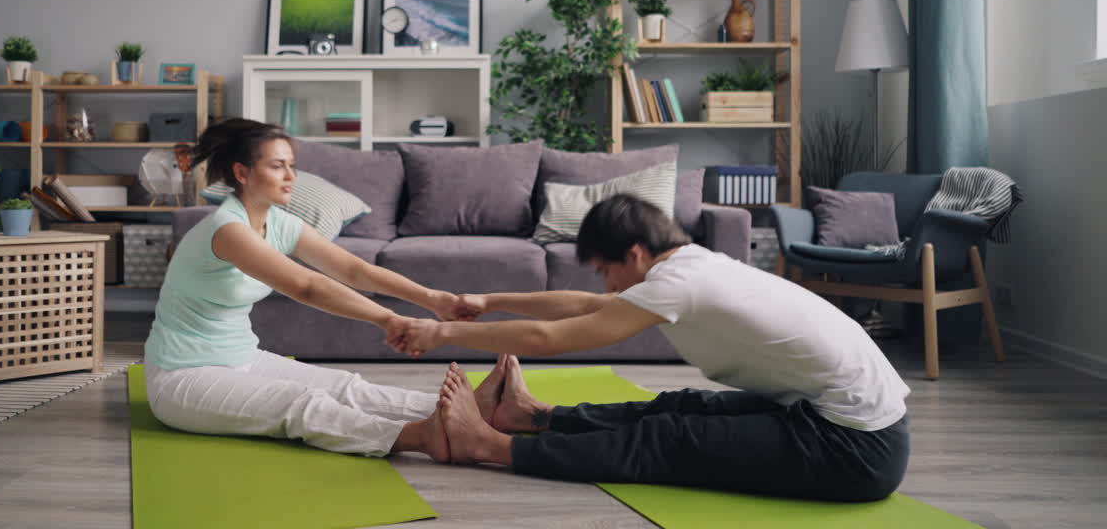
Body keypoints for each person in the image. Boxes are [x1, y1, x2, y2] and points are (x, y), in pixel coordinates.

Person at [390, 194, 912, 502]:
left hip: (856, 446)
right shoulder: (690, 266)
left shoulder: (677, 283)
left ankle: (489, 445)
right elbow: (583, 305)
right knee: (679, 407)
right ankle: (534, 418)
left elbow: (548, 338)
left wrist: (442, 333)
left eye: (606, 270)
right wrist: (489, 300)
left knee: (669, 439)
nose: (606, 285)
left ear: (635, 254)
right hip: (836, 418)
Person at [142, 118, 503, 460]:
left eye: (292, 166)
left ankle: (475, 411)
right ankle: (423, 436)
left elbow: (353, 269)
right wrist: (388, 319)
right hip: (183, 376)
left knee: (347, 388)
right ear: (243, 173)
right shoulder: (228, 229)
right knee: (302, 403)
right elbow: (306, 286)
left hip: (244, 359)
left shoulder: (277, 222)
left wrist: (434, 300)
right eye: (278, 166)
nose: (291, 177)